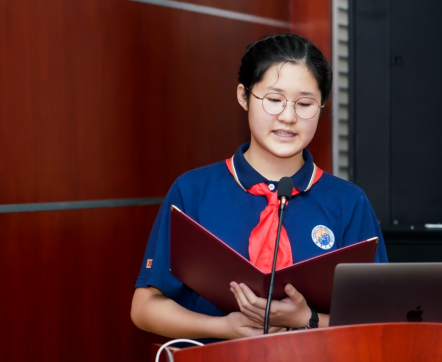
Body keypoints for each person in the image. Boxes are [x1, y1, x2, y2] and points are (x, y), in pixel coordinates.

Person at [131, 33, 388, 342]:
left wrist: (307, 319)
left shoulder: (348, 202)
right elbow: (144, 308)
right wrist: (223, 328)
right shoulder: (193, 191)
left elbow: (380, 318)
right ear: (244, 96)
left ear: (321, 106)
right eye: (274, 100)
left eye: (304, 104)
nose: (288, 117)